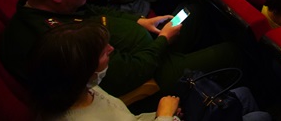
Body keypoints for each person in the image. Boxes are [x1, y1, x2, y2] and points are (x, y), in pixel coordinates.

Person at [0, 0, 240, 97]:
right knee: (235, 49)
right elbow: (126, 75)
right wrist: (163, 41)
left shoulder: (55, 6)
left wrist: (140, 21)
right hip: (150, 72)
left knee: (194, 8)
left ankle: (197, 68)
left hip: (152, 46)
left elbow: (96, 10)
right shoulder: (56, 40)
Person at [28, 21, 182, 121]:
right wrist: (164, 116)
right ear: (84, 70)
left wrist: (158, 115)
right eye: (103, 53)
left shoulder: (83, 89)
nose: (111, 49)